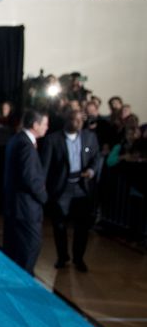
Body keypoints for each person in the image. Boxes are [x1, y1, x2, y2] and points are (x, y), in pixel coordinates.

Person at [40, 108, 101, 272]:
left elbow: (96, 157)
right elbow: (45, 167)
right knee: (59, 225)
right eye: (75, 120)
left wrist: (91, 171)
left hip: (82, 186)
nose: (79, 123)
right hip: (62, 188)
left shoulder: (90, 137)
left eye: (81, 120)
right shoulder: (52, 140)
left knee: (82, 226)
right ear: (67, 120)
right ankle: (62, 257)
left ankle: (78, 258)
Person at [2, 110, 49, 275]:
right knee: (29, 248)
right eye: (45, 124)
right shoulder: (25, 146)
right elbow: (29, 178)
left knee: (14, 249)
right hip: (26, 208)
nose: (47, 127)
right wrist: (44, 198)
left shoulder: (17, 139)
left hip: (16, 207)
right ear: (35, 125)